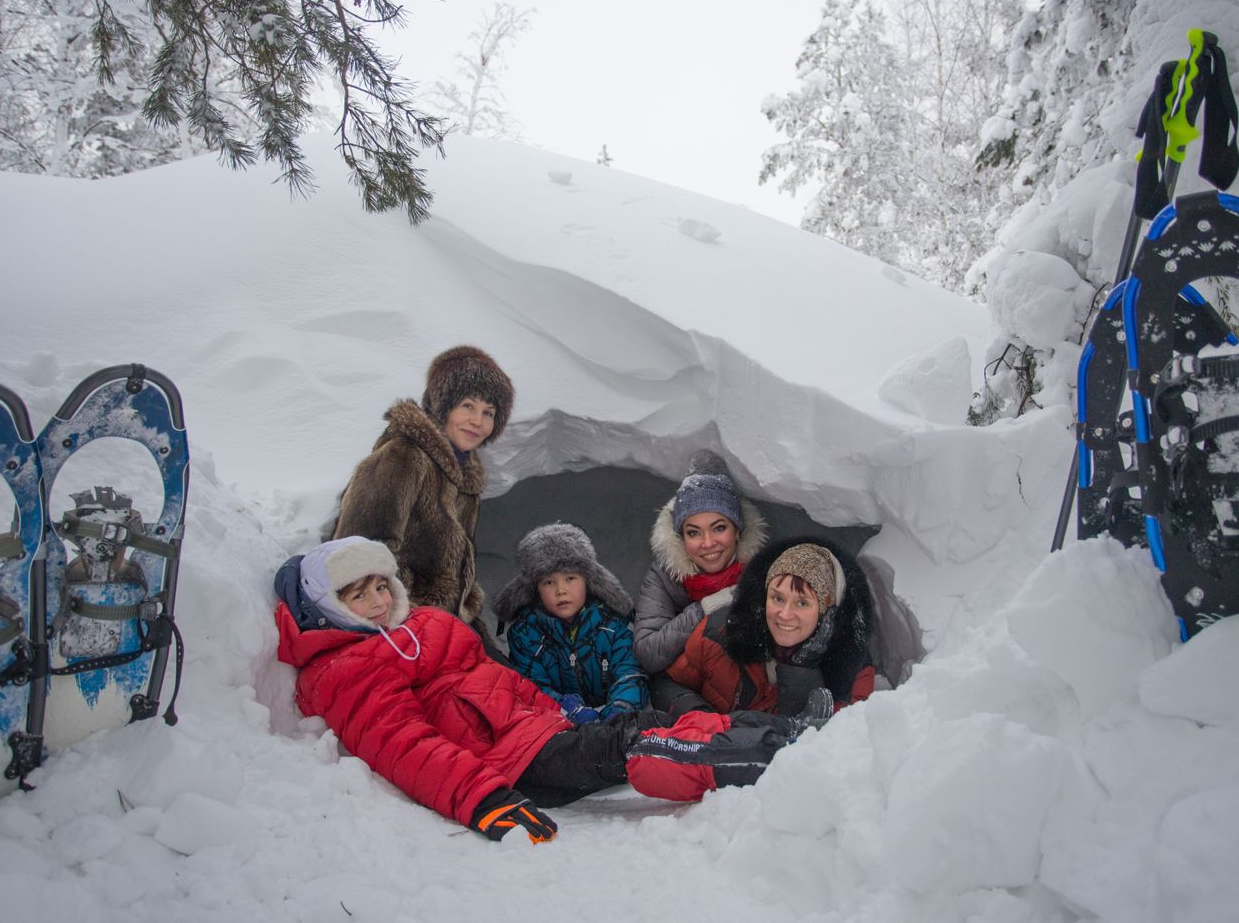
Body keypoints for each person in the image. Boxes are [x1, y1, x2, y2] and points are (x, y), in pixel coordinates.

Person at [274, 536, 834, 842]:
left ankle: (780, 733)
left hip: (537, 735)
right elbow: (403, 744)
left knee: (645, 727)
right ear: (326, 607)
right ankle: (771, 754)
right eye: (357, 595)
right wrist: (482, 799)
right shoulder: (345, 669)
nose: (376, 602)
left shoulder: (424, 625)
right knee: (638, 744)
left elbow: (507, 683)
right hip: (512, 764)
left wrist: (559, 717)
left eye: (380, 586)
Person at [329, 345, 512, 635]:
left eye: (488, 412)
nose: (478, 421)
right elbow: (357, 554)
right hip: (401, 628)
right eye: (468, 406)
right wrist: (403, 618)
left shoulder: (464, 479)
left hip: (448, 626)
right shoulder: (403, 456)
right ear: (443, 405)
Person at [667, 537, 876, 716]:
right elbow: (668, 685)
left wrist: (801, 672)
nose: (784, 614)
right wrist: (702, 718)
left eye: (802, 603)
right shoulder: (720, 632)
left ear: (826, 609)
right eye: (777, 598)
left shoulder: (850, 669)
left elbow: (821, 747)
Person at [634, 450, 768, 716]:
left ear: (738, 530)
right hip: (686, 686)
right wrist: (706, 607)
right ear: (681, 538)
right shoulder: (665, 575)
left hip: (749, 686)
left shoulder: (762, 569)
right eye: (694, 532)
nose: (708, 544)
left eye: (719, 528)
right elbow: (648, 652)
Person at [493, 523, 647, 724]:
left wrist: (620, 709)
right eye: (549, 582)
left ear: (589, 581)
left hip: (615, 722)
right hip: (558, 724)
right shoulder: (525, 634)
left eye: (570, 578)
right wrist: (567, 709)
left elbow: (629, 674)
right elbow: (532, 687)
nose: (561, 590)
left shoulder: (612, 625)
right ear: (534, 589)